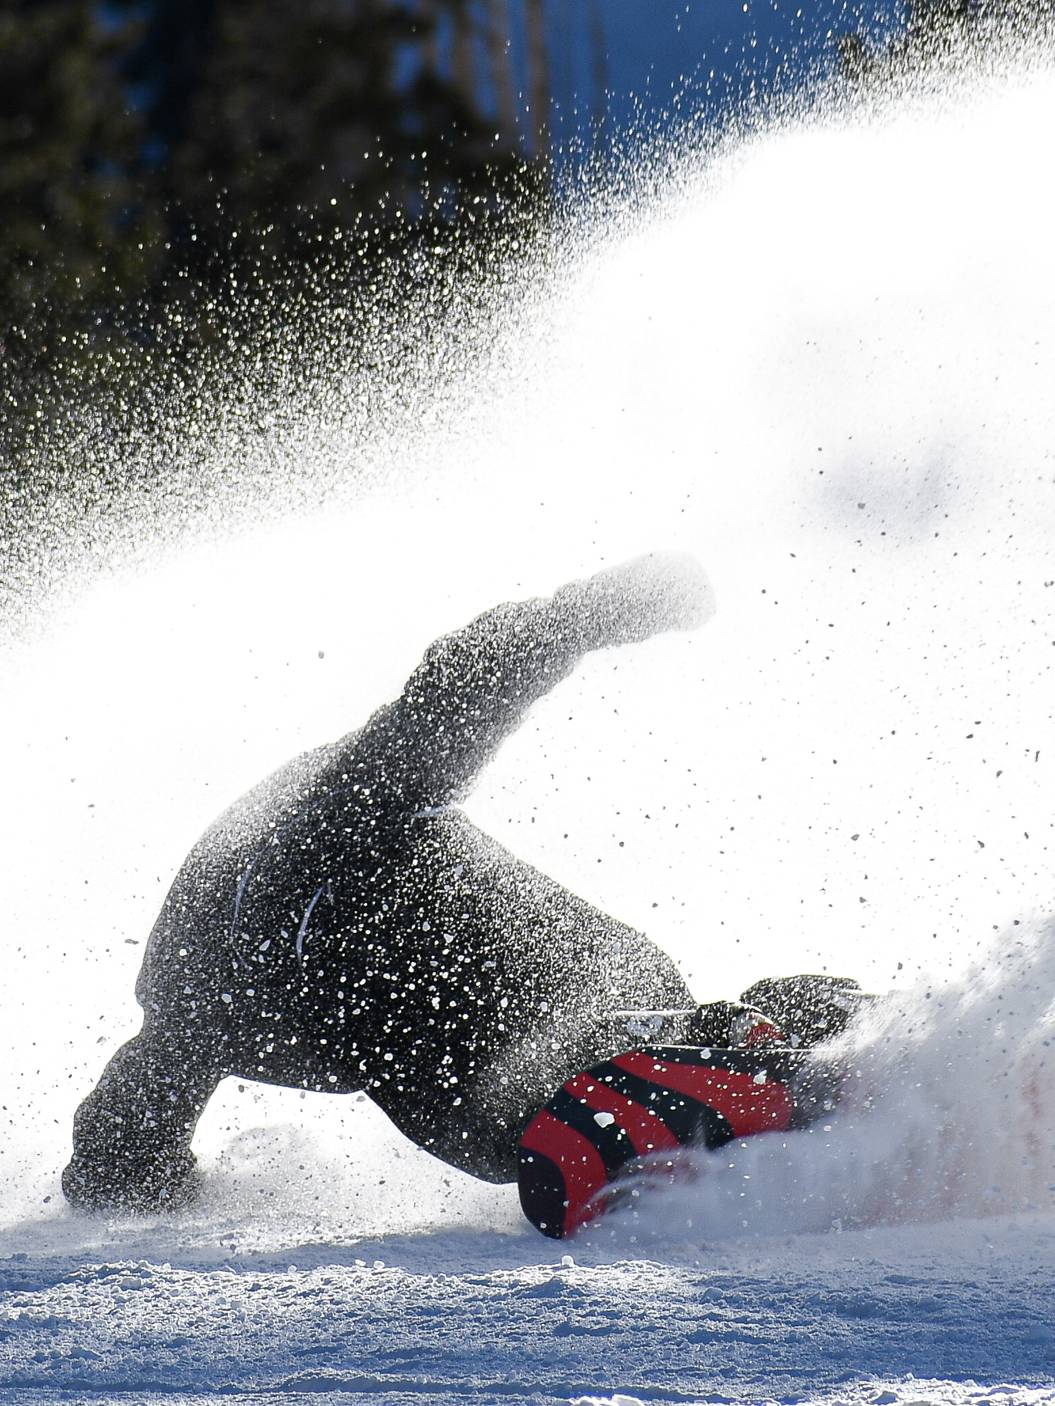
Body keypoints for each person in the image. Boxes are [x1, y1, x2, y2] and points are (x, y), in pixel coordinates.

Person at [63, 554, 866, 1213]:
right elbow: (154, 1074)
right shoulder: (208, 987)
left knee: (609, 999)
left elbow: (459, 686)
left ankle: (787, 1033)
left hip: (450, 907)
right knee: (490, 1123)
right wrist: (122, 1181)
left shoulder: (353, 803)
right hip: (361, 983)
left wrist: (595, 610)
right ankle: (701, 1056)